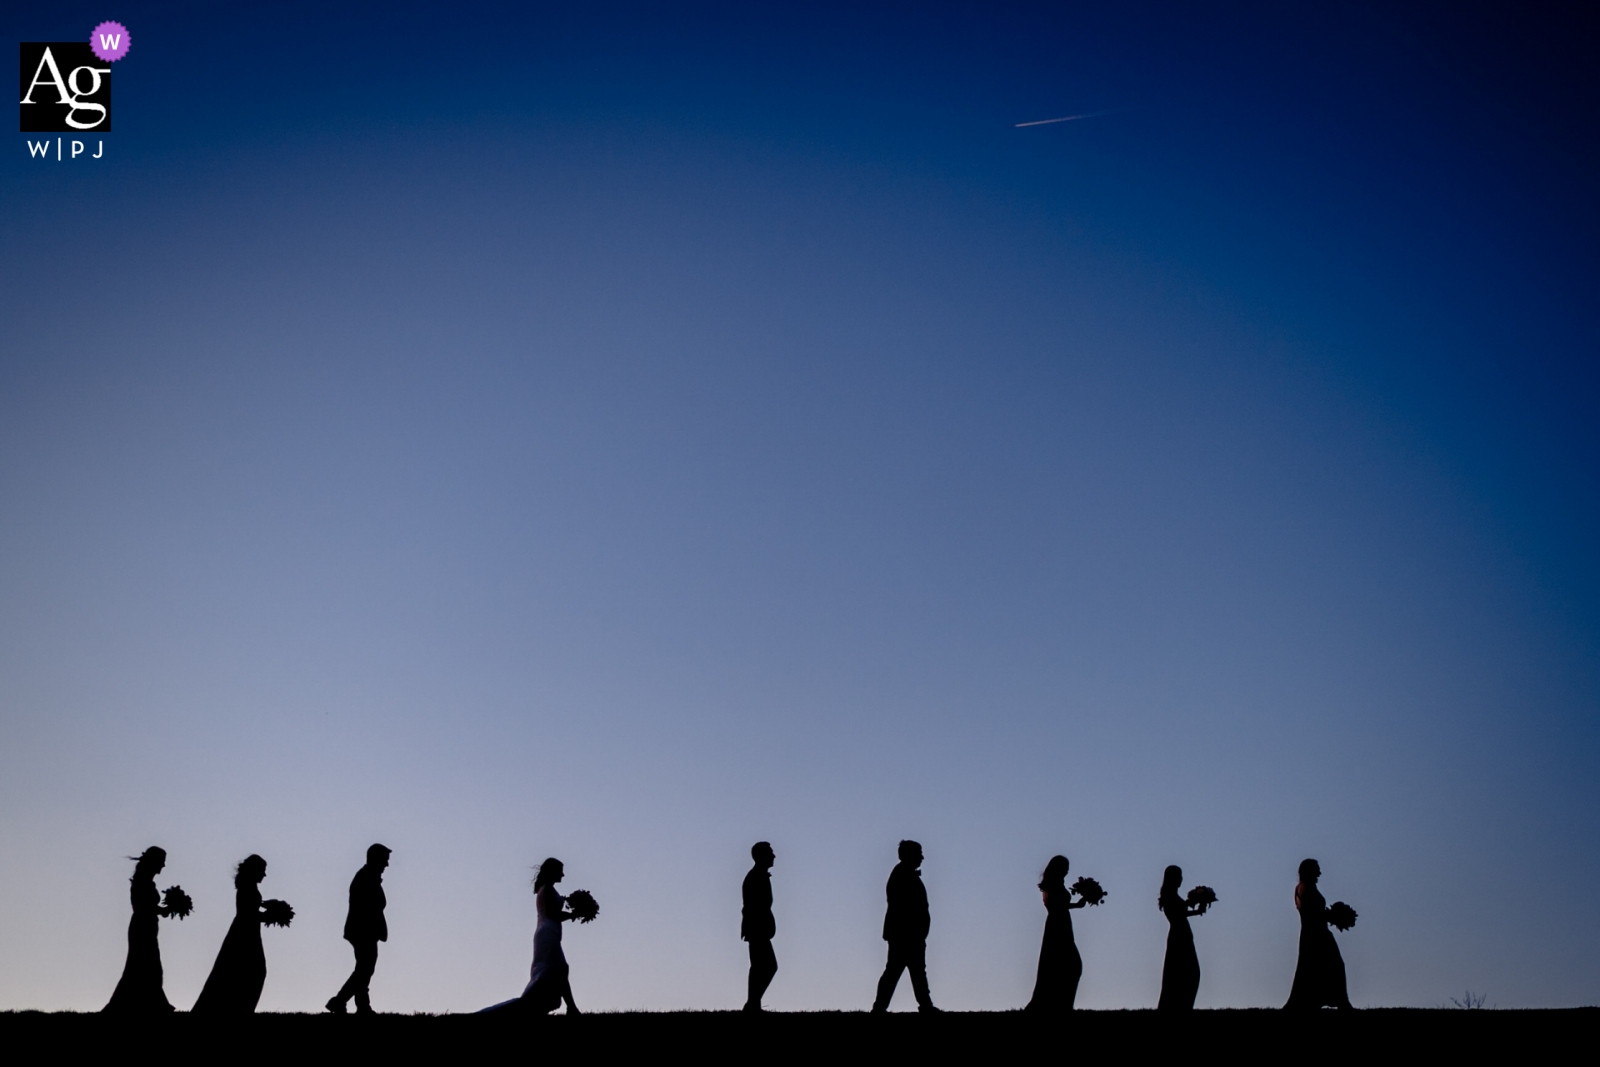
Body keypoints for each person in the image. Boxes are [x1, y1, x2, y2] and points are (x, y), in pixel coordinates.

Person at [483, 858, 582, 1015]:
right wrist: (572, 915)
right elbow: (551, 914)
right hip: (547, 934)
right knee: (560, 968)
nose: (563, 875)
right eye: (560, 871)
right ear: (552, 871)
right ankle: (572, 1008)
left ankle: (570, 1008)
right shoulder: (547, 889)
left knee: (558, 970)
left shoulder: (547, 889)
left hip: (549, 933)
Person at [192, 854, 283, 1013]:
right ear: (254, 870)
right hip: (244, 932)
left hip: (247, 930)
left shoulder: (249, 885)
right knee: (251, 971)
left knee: (242, 970)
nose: (264, 874)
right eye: (262, 870)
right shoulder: (247, 886)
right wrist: (272, 915)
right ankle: (240, 1009)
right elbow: (248, 913)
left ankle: (237, 1008)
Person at [103, 847, 179, 1013]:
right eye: (162, 861)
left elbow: (148, 906)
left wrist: (162, 910)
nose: (164, 865)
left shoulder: (145, 881)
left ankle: (143, 1005)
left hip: (148, 926)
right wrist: (162, 910)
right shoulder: (141, 881)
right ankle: (153, 1005)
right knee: (146, 966)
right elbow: (142, 906)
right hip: (141, 927)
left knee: (142, 967)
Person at [871, 840, 940, 1013]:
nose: (922, 857)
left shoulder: (903, 874)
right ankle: (882, 1008)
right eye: (919, 853)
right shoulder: (903, 875)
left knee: (908, 972)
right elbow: (904, 907)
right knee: (899, 971)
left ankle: (923, 1005)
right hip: (906, 935)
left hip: (908, 934)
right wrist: (915, 931)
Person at [326, 843, 391, 1014]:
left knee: (363, 968)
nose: (387, 864)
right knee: (365, 969)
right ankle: (340, 1001)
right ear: (376, 859)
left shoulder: (369, 876)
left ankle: (361, 1005)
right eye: (385, 860)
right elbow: (368, 906)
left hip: (363, 930)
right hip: (363, 930)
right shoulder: (366, 877)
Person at [1283, 858, 1353, 1010]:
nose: (1319, 873)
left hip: (1313, 933)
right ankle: (1342, 1002)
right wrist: (1334, 916)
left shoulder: (1302, 887)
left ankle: (1325, 1001)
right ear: (1309, 871)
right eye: (1316, 870)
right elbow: (1312, 912)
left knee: (1313, 968)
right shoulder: (1306, 888)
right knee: (1334, 965)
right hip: (1317, 934)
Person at [1024, 855, 1086, 1014]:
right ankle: (1061, 1005)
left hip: (1062, 923)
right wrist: (1072, 905)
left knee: (1067, 966)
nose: (1067, 871)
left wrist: (1076, 905)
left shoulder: (1057, 883)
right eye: (1064, 867)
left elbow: (1060, 905)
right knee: (1069, 965)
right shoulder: (1052, 883)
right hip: (1057, 925)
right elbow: (1055, 905)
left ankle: (1063, 1005)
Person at [1157, 865, 1206, 1011]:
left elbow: (1181, 911)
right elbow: (1177, 914)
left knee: (1187, 973)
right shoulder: (1169, 897)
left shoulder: (1172, 897)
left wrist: (1196, 909)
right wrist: (1193, 907)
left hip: (1182, 935)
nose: (1181, 879)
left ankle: (1183, 1006)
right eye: (1179, 876)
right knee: (1187, 972)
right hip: (1179, 937)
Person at [742, 841, 777, 1012]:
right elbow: (753, 906)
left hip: (757, 928)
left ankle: (753, 1003)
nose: (774, 856)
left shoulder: (759, 875)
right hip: (757, 929)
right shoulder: (756, 876)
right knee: (765, 966)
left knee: (762, 966)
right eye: (770, 853)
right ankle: (752, 1003)